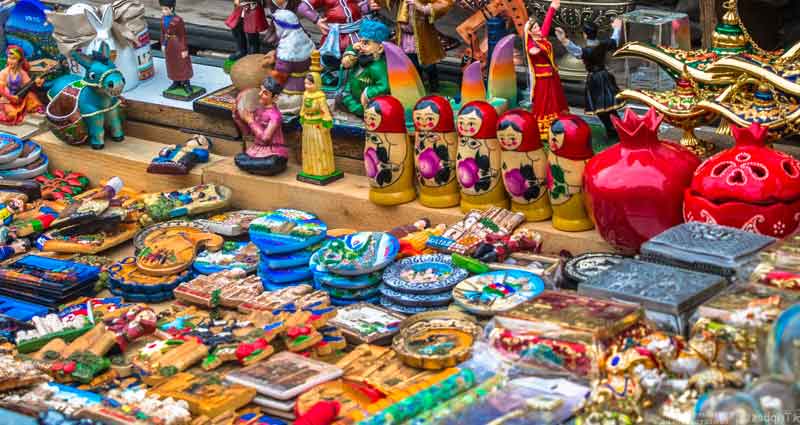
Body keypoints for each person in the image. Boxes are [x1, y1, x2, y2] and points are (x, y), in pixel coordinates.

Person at [556, 19, 623, 140]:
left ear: (585, 34)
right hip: (605, 76)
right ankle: (617, 129)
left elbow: (575, 50)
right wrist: (617, 28)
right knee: (609, 106)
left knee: (601, 108)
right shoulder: (603, 44)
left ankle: (614, 130)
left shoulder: (586, 50)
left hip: (595, 80)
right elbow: (614, 40)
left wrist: (564, 40)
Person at [524, 0, 568, 141]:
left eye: (537, 26)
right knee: (544, 102)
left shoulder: (540, 38)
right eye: (534, 28)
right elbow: (533, 51)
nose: (538, 29)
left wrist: (552, 9)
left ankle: (557, 125)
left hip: (551, 76)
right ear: (529, 32)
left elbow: (547, 25)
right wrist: (534, 50)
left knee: (555, 100)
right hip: (542, 78)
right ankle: (543, 129)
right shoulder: (532, 44)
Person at [390, 0, 454, 92]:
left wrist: (424, 8)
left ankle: (434, 87)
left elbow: (444, 3)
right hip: (405, 37)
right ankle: (418, 88)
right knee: (412, 64)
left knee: (428, 65)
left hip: (422, 36)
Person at [298, 0, 380, 68]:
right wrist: (317, 20)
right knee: (335, 57)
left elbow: (361, 6)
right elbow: (303, 8)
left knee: (364, 51)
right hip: (338, 35)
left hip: (358, 30)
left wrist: (369, 6)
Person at [235, 77, 289, 175]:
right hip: (257, 150)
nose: (260, 94)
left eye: (265, 93)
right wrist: (239, 117)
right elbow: (248, 133)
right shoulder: (258, 110)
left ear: (275, 98)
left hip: (273, 152)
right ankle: (254, 166)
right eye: (261, 90)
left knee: (272, 163)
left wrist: (251, 121)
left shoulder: (275, 116)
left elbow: (265, 138)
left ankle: (256, 167)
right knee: (239, 158)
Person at [338, 19, 390, 117]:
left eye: (365, 43)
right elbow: (351, 79)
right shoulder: (360, 60)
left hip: (369, 106)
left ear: (380, 48)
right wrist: (347, 95)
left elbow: (384, 86)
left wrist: (367, 93)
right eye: (360, 42)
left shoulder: (377, 67)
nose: (360, 47)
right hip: (353, 100)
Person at [299, 69, 337, 180]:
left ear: (317, 83)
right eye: (305, 83)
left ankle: (322, 170)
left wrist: (327, 120)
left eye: (310, 84)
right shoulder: (305, 95)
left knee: (319, 147)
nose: (307, 86)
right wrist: (301, 115)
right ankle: (309, 169)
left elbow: (325, 110)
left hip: (317, 126)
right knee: (308, 148)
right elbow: (303, 107)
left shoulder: (320, 97)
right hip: (307, 125)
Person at [160, 0, 199, 97]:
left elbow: (182, 35)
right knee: (171, 63)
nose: (163, 11)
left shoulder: (178, 20)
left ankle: (186, 82)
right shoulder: (163, 19)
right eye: (162, 9)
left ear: (171, 9)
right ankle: (175, 81)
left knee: (182, 63)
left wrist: (184, 49)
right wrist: (163, 44)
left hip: (177, 44)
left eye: (165, 9)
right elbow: (162, 33)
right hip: (169, 44)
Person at [0, 45, 44, 125]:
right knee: (12, 115)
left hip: (19, 98)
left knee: (31, 96)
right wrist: (10, 97)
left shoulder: (22, 73)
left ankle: (37, 110)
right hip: (7, 99)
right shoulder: (4, 73)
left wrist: (37, 83)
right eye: (9, 58)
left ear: (19, 60)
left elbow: (29, 85)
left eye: (13, 59)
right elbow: (2, 89)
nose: (10, 61)